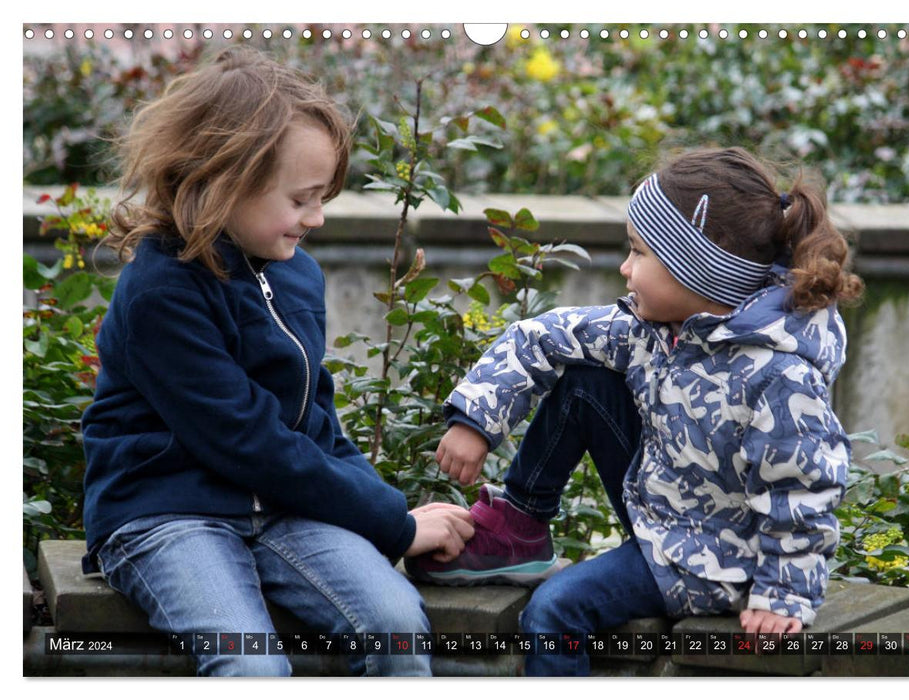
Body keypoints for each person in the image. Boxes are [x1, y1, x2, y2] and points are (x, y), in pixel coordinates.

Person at [81, 46, 474, 677]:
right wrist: (393, 526)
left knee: (396, 627)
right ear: (225, 180)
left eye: (322, 198)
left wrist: (389, 507)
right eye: (302, 199)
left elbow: (315, 423)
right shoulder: (161, 291)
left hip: (282, 510)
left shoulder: (294, 275)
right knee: (254, 667)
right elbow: (247, 438)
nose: (316, 218)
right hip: (167, 512)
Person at [405, 147, 864, 675]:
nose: (624, 268)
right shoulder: (655, 330)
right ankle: (521, 523)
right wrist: (476, 420)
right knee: (584, 379)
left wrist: (783, 594)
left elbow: (803, 486)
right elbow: (547, 334)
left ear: (700, 268)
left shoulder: (778, 374)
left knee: (555, 611)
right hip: (668, 511)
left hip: (711, 560)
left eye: (639, 253)